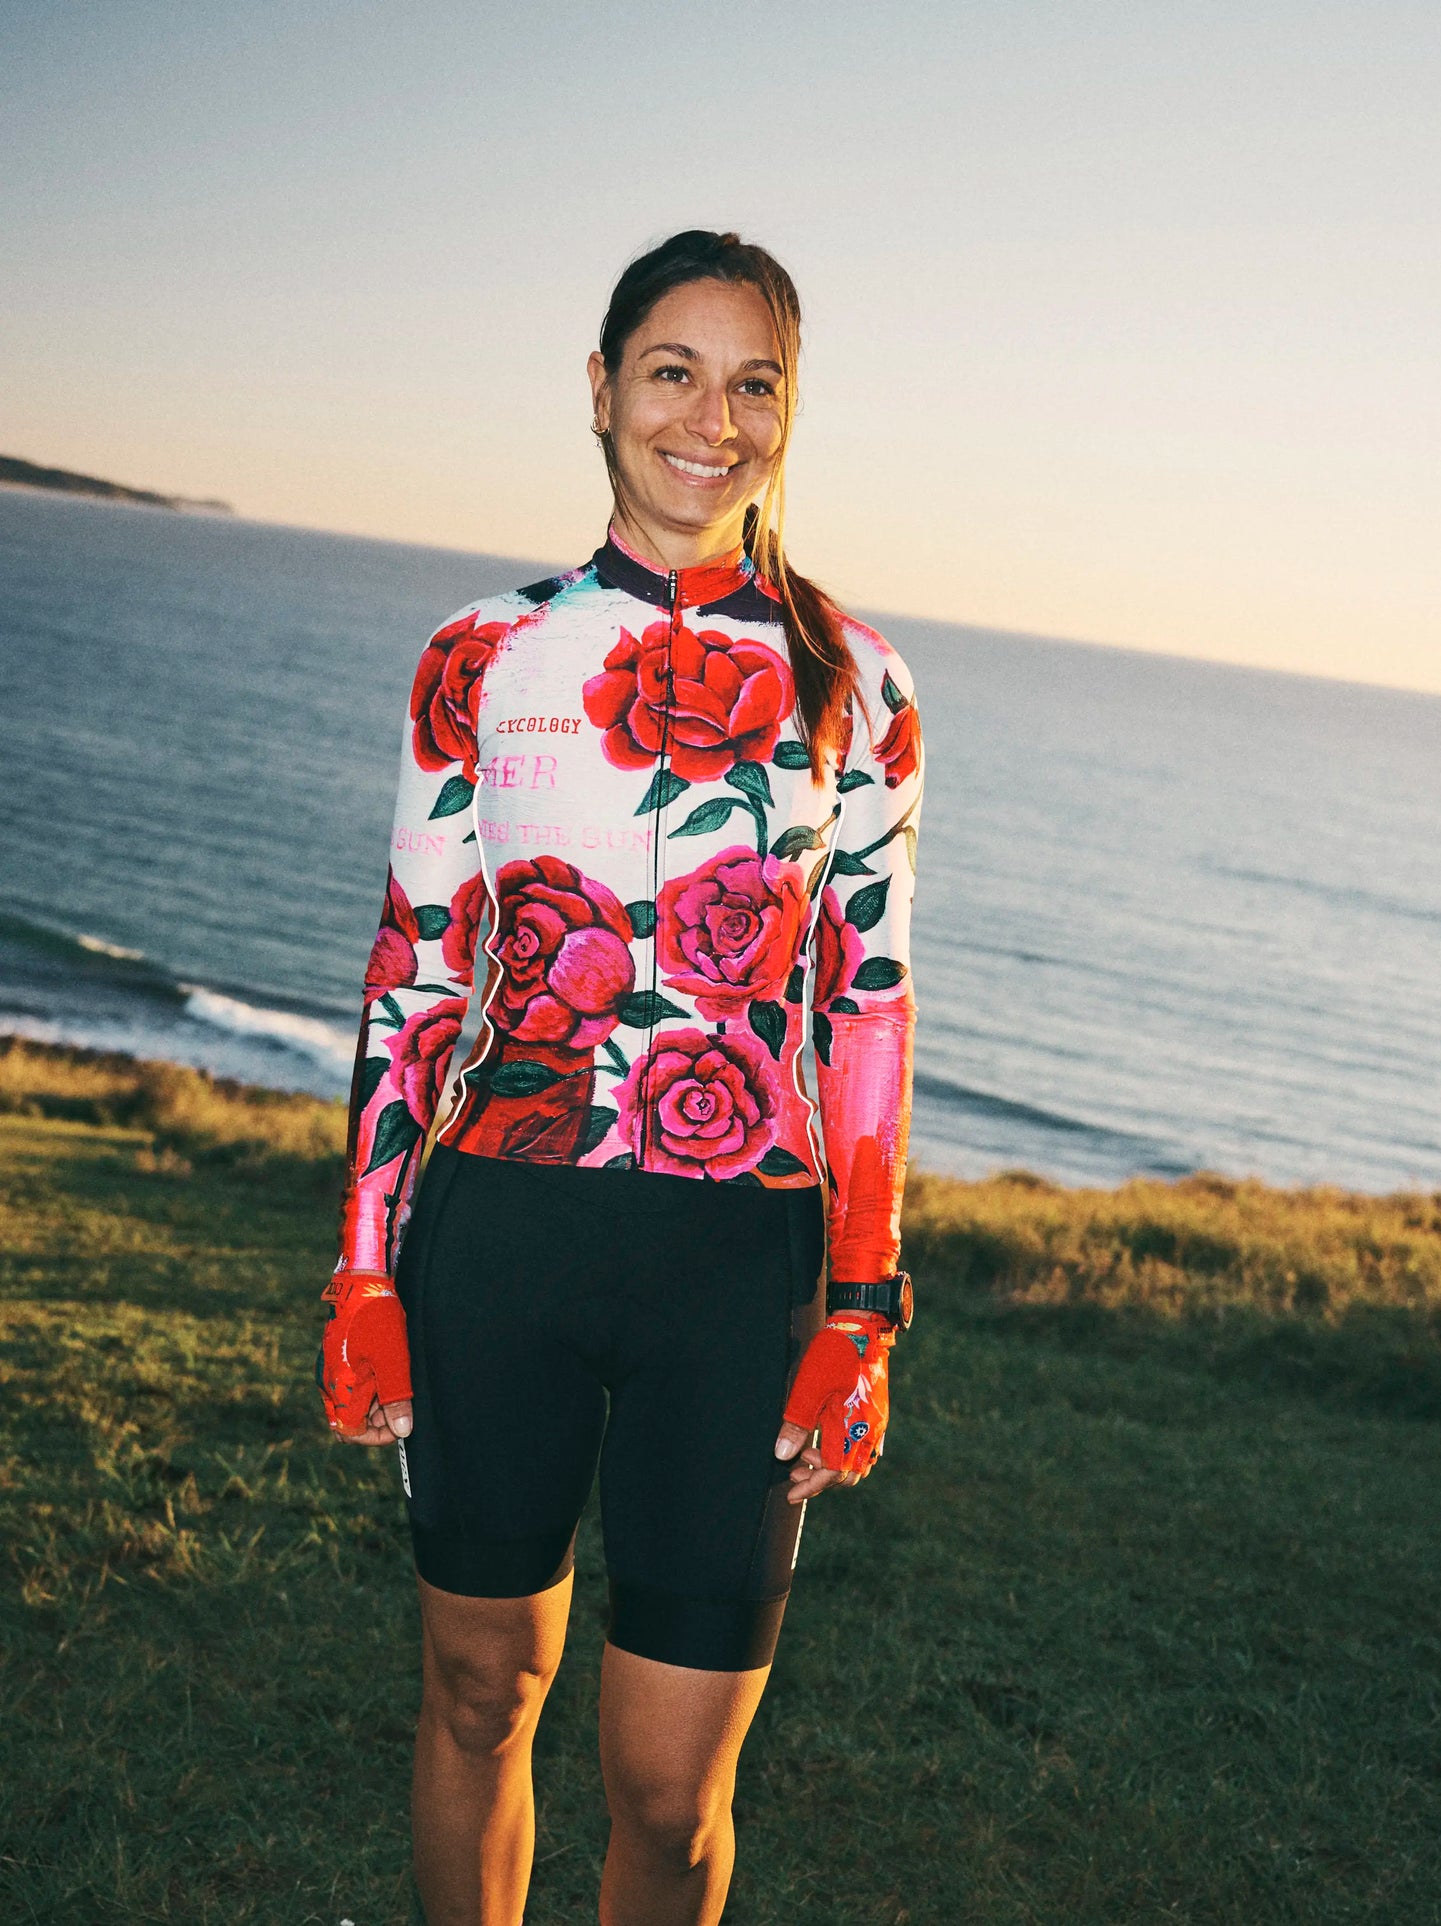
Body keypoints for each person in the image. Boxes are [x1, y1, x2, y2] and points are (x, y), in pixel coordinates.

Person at [317, 229, 924, 1926]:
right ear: (600, 390)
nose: (710, 422)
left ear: (789, 412)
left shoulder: (856, 682)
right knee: (477, 1695)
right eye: (672, 372)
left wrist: (863, 1306)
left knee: (668, 1792)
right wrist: (364, 1269)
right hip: (494, 1242)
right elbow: (416, 964)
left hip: (738, 1270)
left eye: (754, 386)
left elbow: (866, 1002)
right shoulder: (480, 654)